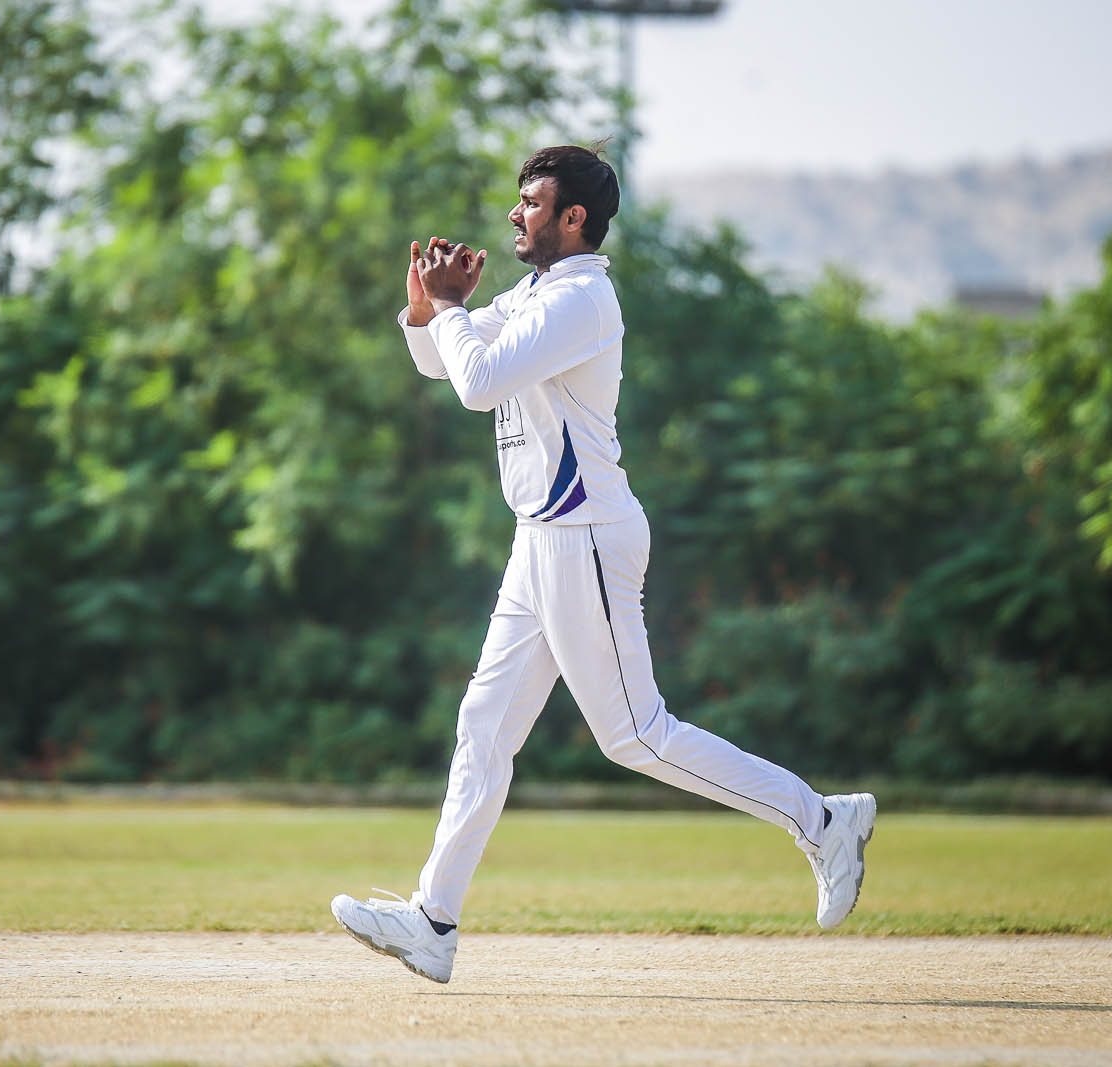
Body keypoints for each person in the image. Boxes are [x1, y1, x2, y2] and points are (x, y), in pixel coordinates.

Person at [329, 144, 875, 984]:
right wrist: (425, 309)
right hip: (542, 537)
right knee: (484, 725)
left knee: (636, 736)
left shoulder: (582, 299)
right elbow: (444, 361)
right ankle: (433, 921)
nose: (515, 214)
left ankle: (824, 821)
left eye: (532, 202)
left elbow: (478, 385)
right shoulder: (537, 293)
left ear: (574, 217)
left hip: (583, 532)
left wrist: (453, 309)